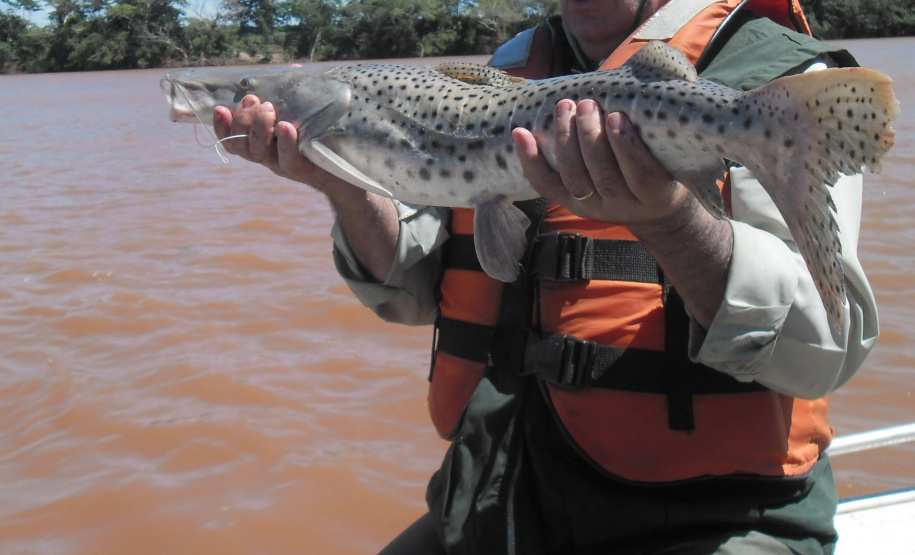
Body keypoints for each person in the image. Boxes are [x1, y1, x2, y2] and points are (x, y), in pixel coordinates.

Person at [213, 0, 879, 552]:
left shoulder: (773, 79)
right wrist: (343, 181)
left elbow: (826, 346)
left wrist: (669, 220)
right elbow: (418, 292)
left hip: (714, 517)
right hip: (510, 484)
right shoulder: (503, 74)